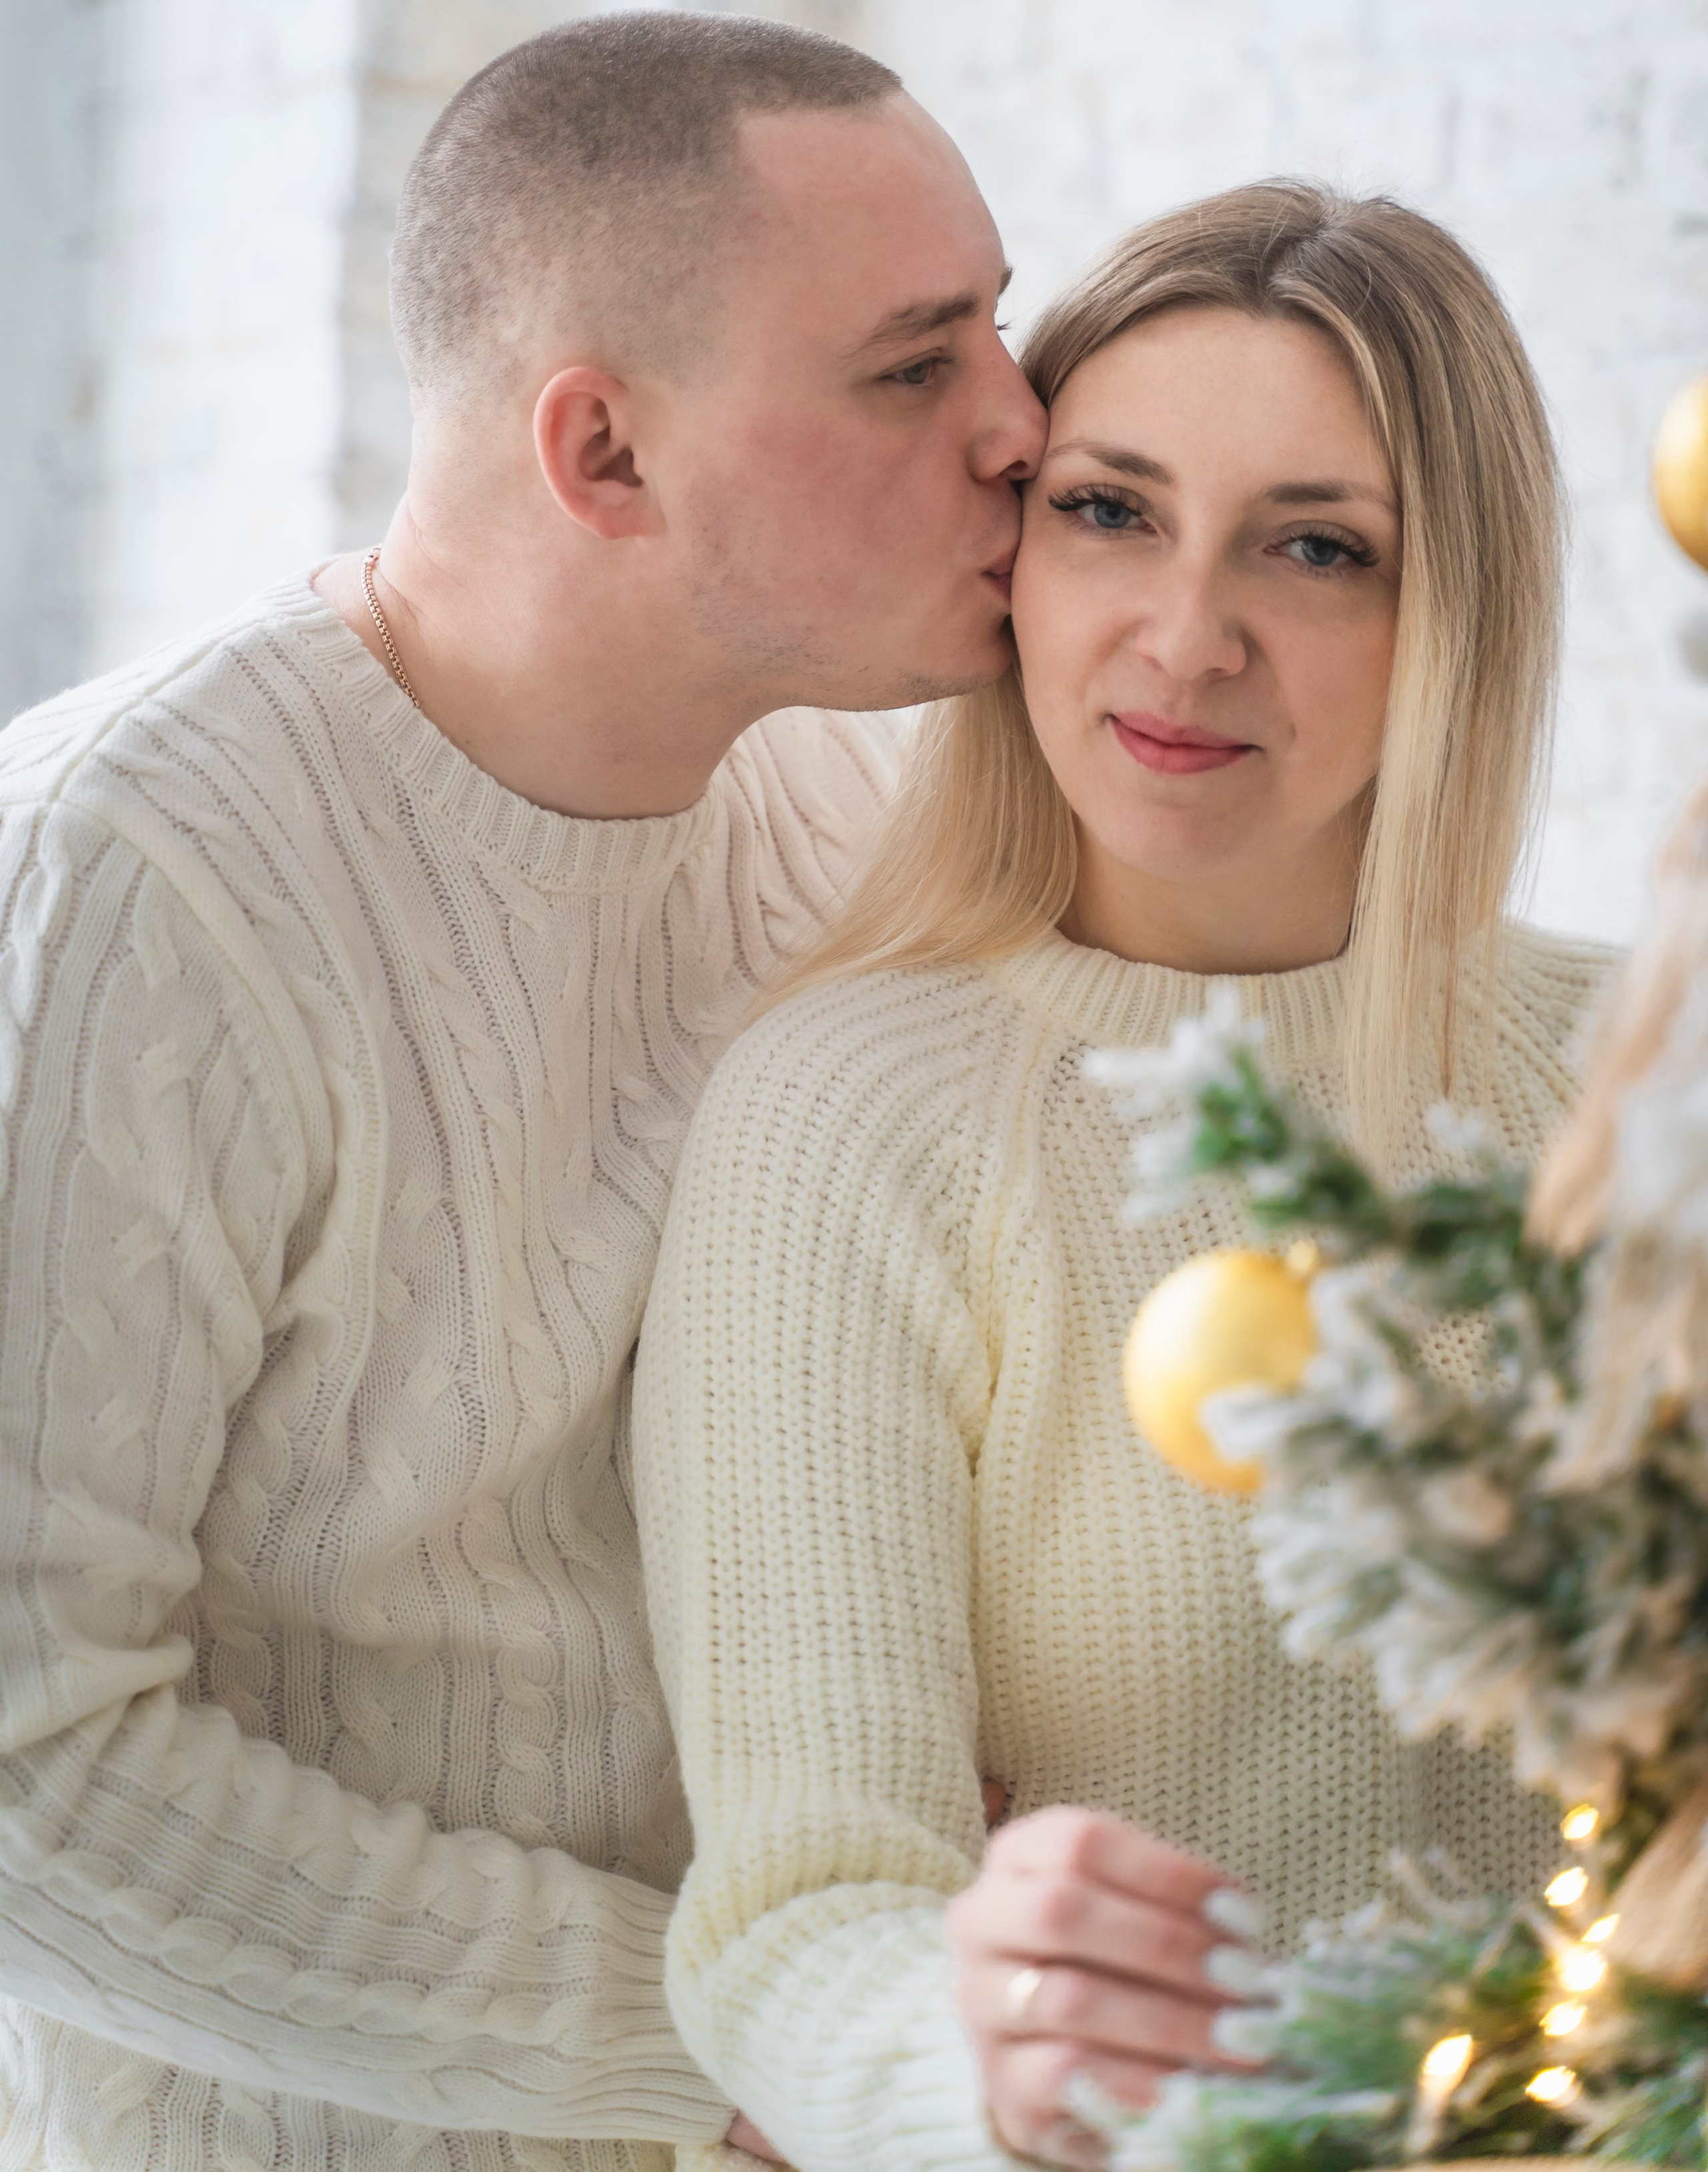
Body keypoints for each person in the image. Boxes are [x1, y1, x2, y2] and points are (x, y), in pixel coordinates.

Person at [0, 12, 1043, 2172]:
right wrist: (727, 2044)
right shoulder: (129, 878)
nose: (1022, 430)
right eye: (912, 367)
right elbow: (23, 1771)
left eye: (1001, 339)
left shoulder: (840, 808)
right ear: (606, 456)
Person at [635, 181, 1621, 2172]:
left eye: (1319, 548)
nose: (1188, 637)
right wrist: (992, 2075)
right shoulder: (854, 1114)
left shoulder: (1644, 1079)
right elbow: (797, 1917)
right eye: (1112, 511)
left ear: (1457, 612)